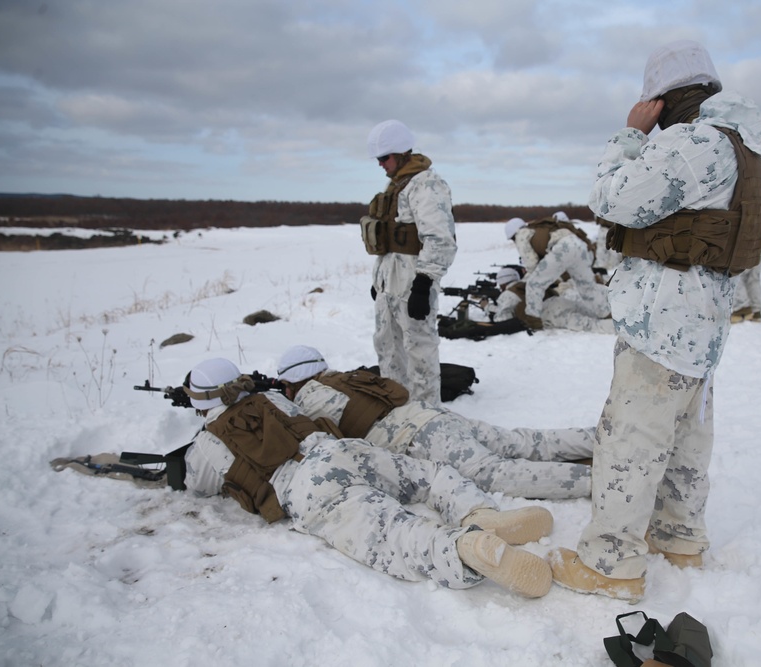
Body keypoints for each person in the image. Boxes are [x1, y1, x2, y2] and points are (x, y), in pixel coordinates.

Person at [548, 40, 761, 602]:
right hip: (700, 318)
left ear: (661, 99)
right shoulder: (739, 145)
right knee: (686, 434)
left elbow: (610, 198)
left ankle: (609, 564)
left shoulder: (693, 143)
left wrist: (628, 134)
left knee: (631, 438)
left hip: (662, 318)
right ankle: (679, 539)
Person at [182, 358, 554, 598]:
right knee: (427, 476)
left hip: (307, 489)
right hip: (341, 451)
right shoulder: (274, 401)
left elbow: (197, 485)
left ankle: (466, 550)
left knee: (393, 534)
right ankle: (480, 514)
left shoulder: (206, 444)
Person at [275, 345, 594, 500]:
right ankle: (604, 438)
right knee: (524, 442)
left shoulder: (306, 401)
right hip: (434, 418)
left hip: (420, 437)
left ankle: (610, 481)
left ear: (290, 384)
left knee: (494, 474)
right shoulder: (342, 378)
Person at [362, 120, 457, 404]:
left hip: (412, 282)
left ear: (402, 153)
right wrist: (377, 283)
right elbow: (390, 244)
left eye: (384, 157)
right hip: (389, 282)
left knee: (420, 351)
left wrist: (424, 283)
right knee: (387, 346)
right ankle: (397, 410)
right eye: (378, 158)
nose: (380, 164)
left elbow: (440, 239)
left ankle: (427, 416)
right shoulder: (397, 186)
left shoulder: (427, 184)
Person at [504, 214, 607, 322]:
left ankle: (533, 319)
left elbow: (531, 263)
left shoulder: (521, 234)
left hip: (563, 249)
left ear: (513, 234)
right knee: (587, 288)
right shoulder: (537, 229)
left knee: (533, 284)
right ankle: (606, 313)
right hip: (580, 247)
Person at [486, 265, 615, 334]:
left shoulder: (508, 293)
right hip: (557, 301)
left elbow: (502, 318)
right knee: (594, 314)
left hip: (551, 314)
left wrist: (487, 307)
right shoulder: (524, 284)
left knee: (593, 325)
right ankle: (622, 317)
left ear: (502, 283)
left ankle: (627, 329)